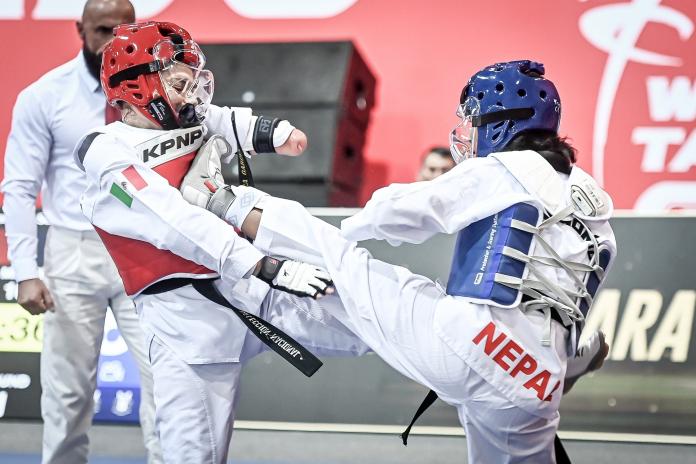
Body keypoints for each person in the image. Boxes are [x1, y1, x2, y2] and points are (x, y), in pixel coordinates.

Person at [181, 60, 615, 463]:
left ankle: (219, 198)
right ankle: (553, 371)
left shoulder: (506, 169)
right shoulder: (594, 206)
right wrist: (547, 369)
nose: (467, 131)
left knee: (345, 262)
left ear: (500, 126)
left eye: (475, 120)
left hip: (471, 347)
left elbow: (406, 211)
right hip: (537, 382)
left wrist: (347, 233)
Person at [75, 21, 367, 463]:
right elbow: (174, 220)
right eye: (178, 83)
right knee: (193, 456)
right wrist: (264, 266)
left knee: (372, 323)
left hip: (252, 288)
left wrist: (272, 132)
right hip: (187, 322)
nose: (193, 96)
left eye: (195, 83)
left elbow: (223, 118)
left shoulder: (191, 115)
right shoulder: (108, 157)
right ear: (137, 88)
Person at [1, 2, 164, 463]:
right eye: (102, 30)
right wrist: (25, 271)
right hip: (74, 251)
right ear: (80, 30)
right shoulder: (44, 96)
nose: (113, 40)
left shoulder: (164, 92)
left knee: (167, 387)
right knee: (67, 395)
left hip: (148, 251)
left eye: (123, 30)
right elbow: (19, 186)